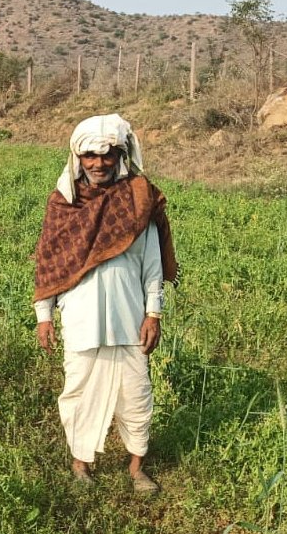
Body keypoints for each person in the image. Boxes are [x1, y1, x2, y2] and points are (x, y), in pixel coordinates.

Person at [33, 113, 178, 493]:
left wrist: (153, 313)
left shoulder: (137, 200)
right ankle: (80, 464)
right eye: (90, 156)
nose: (98, 164)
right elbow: (49, 262)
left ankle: (137, 469)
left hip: (129, 318)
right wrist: (44, 316)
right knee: (78, 389)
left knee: (136, 394)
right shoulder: (64, 204)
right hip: (81, 319)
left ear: (120, 156)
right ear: (77, 158)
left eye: (107, 155)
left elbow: (152, 265)